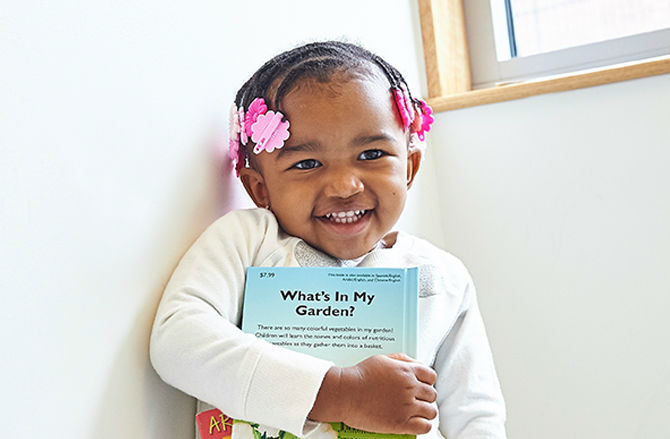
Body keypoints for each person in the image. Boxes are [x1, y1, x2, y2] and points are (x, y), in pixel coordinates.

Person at [150, 41, 506, 439]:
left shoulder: (441, 277)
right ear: (259, 188)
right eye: (307, 163)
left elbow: (475, 411)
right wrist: (340, 393)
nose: (344, 185)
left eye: (371, 154)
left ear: (410, 165)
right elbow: (178, 342)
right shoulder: (247, 242)